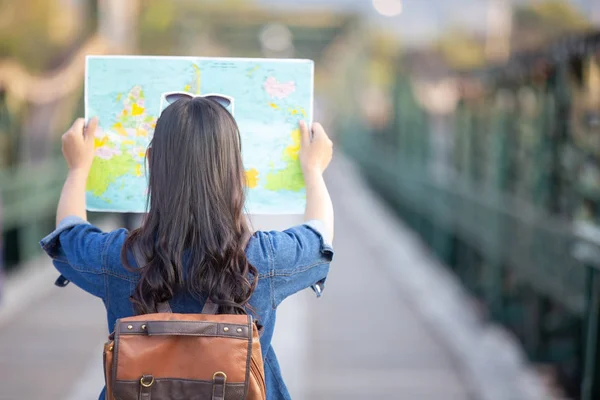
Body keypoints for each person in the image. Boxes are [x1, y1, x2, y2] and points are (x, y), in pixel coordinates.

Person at [40, 97, 334, 400]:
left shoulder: (117, 257)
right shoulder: (265, 258)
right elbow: (319, 238)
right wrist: (313, 171)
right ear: (235, 169)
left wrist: (78, 169)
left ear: (152, 162)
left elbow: (68, 233)